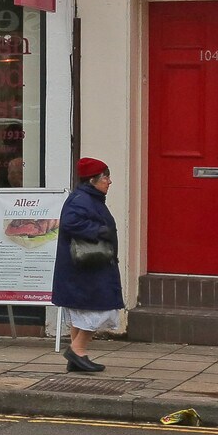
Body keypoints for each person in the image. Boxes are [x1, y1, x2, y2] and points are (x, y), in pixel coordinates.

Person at [52, 156, 124, 373]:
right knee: (101, 308)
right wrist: (98, 231)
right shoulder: (81, 200)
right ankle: (77, 350)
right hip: (86, 267)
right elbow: (70, 223)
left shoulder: (88, 198)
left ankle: (77, 359)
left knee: (82, 311)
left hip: (87, 267)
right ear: (92, 180)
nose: (109, 181)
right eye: (105, 177)